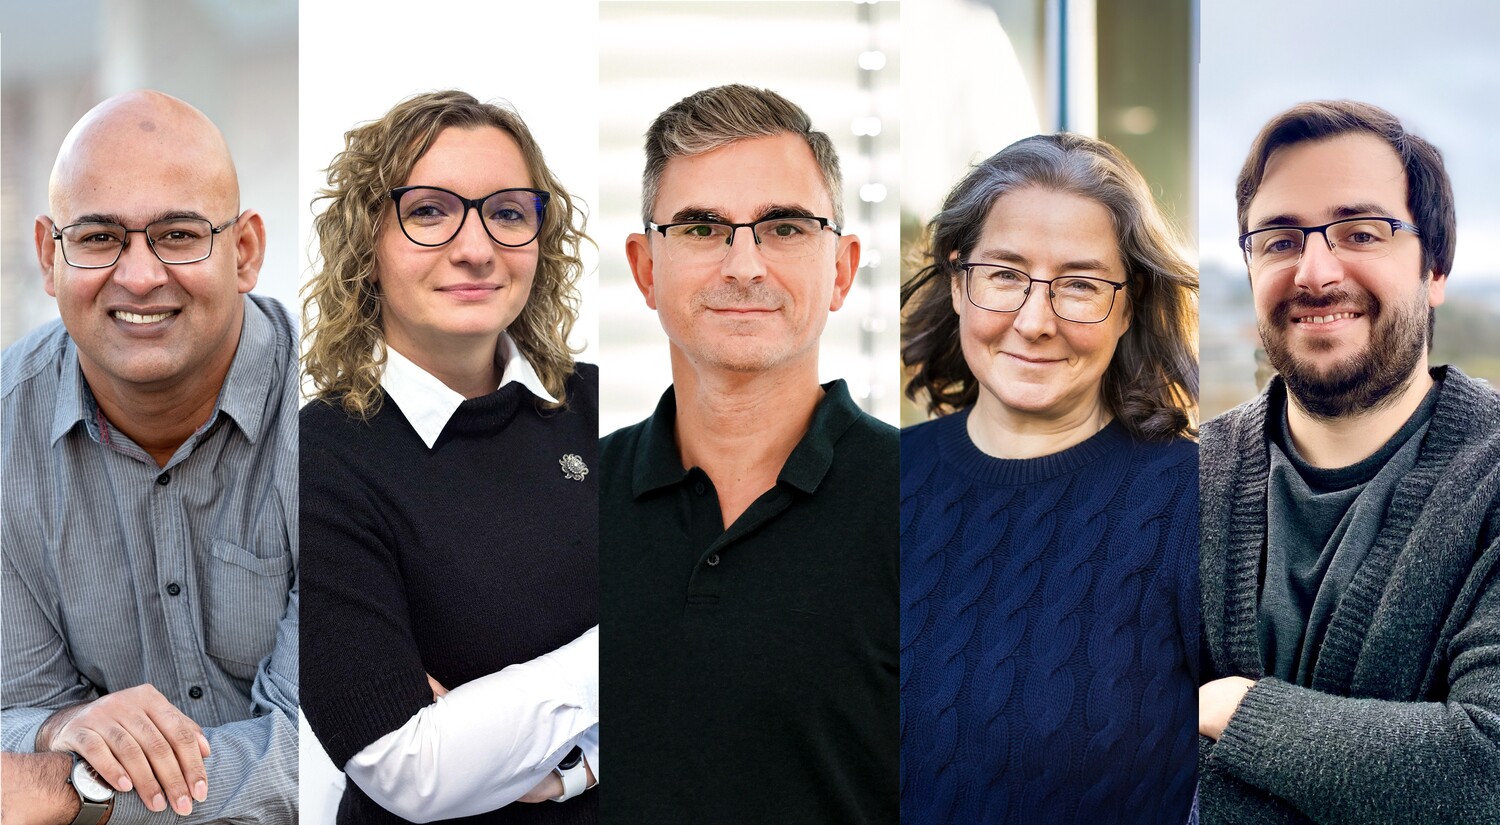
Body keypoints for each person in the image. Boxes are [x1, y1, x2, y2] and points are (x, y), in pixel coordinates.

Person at [298, 90, 598, 825]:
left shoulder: (600, 406)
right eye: (429, 211)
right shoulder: (317, 458)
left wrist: (568, 767)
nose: (475, 247)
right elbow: (411, 770)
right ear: (367, 242)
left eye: (506, 212)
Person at [599, 84, 897, 824]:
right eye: (701, 227)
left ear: (840, 269)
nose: (744, 265)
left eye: (785, 227)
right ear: (644, 268)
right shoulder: (562, 502)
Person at [1198, 100, 1500, 823]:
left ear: (1436, 266)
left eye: (1361, 231)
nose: (1315, 271)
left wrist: (1230, 707)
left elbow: (1484, 771)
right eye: (1277, 239)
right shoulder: (1178, 479)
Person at [0, 91, 298, 824]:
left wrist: (79, 793)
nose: (138, 276)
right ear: (49, 254)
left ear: (246, 251)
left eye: (177, 233)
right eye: (99, 237)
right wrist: (53, 731)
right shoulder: (5, 433)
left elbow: (328, 744)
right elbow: (14, 709)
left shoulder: (342, 417)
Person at [899, 133, 1200, 823]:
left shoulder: (1200, 505)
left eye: (1081, 285)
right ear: (956, 278)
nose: (1035, 322)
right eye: (1004, 274)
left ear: (1130, 304)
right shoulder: (875, 484)